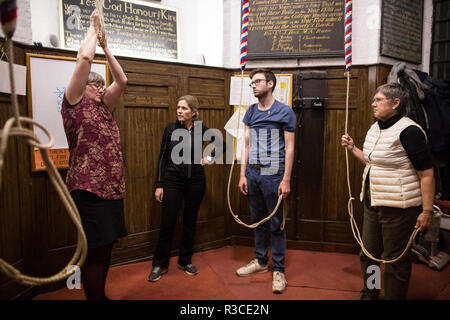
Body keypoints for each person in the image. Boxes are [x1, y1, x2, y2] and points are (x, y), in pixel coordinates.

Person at [341, 83, 435, 300]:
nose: (373, 103)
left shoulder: (409, 131)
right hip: (373, 203)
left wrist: (427, 211)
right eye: (373, 100)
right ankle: (371, 293)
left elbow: (427, 174)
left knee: (395, 261)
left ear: (395, 103)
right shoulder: (376, 127)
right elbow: (373, 162)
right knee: (369, 255)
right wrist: (353, 148)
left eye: (378, 100)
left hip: (399, 209)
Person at [61, 9, 128, 300]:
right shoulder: (73, 103)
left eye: (102, 85)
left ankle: (100, 295)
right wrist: (92, 28)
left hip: (111, 189)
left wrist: (106, 47)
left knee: (107, 246)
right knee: (94, 249)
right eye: (94, 84)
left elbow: (122, 80)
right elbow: (84, 61)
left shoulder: (104, 107)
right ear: (82, 86)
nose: (100, 88)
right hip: (87, 189)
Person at [236, 69, 296, 294]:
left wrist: (286, 179)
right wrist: (242, 174)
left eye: (258, 81)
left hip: (274, 174)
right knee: (258, 221)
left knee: (276, 223)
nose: (253, 85)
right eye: (252, 82)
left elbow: (290, 147)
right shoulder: (250, 112)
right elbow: (246, 145)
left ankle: (278, 269)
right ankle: (261, 262)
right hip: (253, 173)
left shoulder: (284, 112)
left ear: (270, 84)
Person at [148, 95, 216, 282]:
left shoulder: (201, 129)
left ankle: (185, 260)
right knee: (168, 223)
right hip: (173, 181)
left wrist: (207, 159)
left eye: (184, 108)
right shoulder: (170, 128)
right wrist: (159, 184)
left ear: (194, 112)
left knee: (189, 222)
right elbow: (162, 157)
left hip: (196, 182)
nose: (179, 111)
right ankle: (159, 264)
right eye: (178, 107)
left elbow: (220, 145)